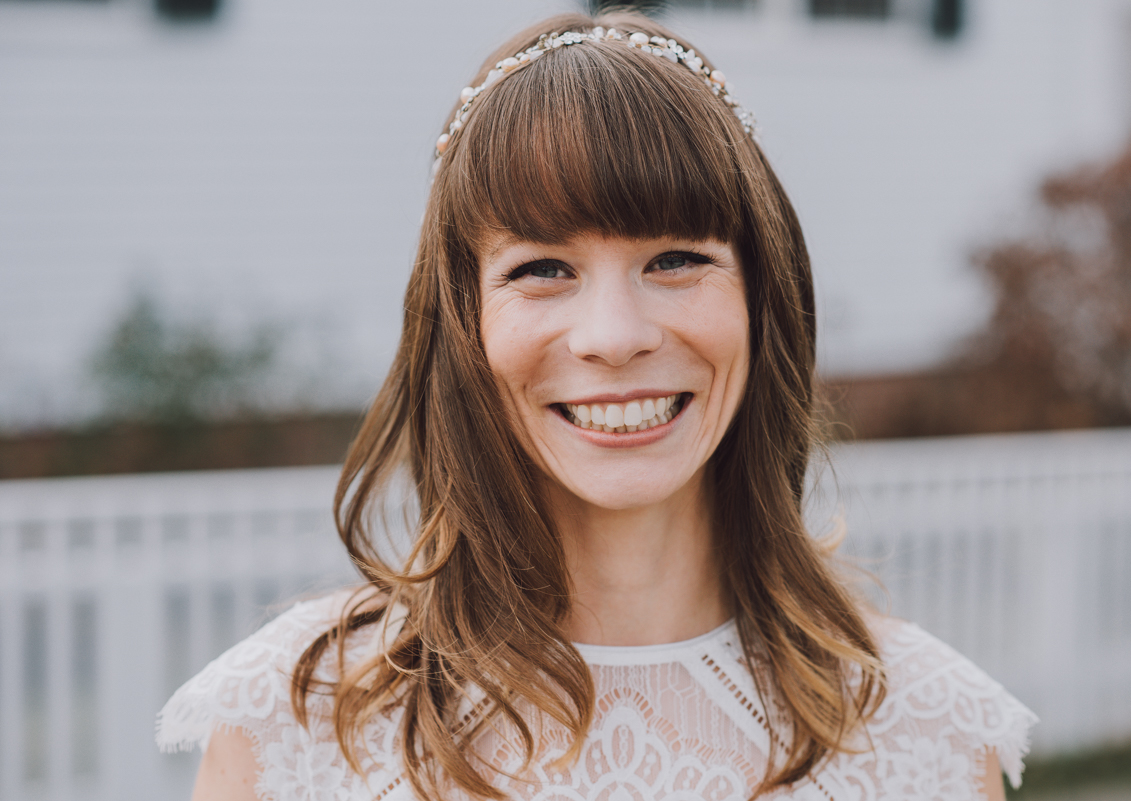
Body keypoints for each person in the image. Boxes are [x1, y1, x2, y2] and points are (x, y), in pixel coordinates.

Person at [158, 11, 1036, 801]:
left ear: (762, 300)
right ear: (461, 326)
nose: (613, 336)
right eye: (542, 269)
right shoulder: (293, 725)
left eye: (676, 259)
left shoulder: (929, 731)